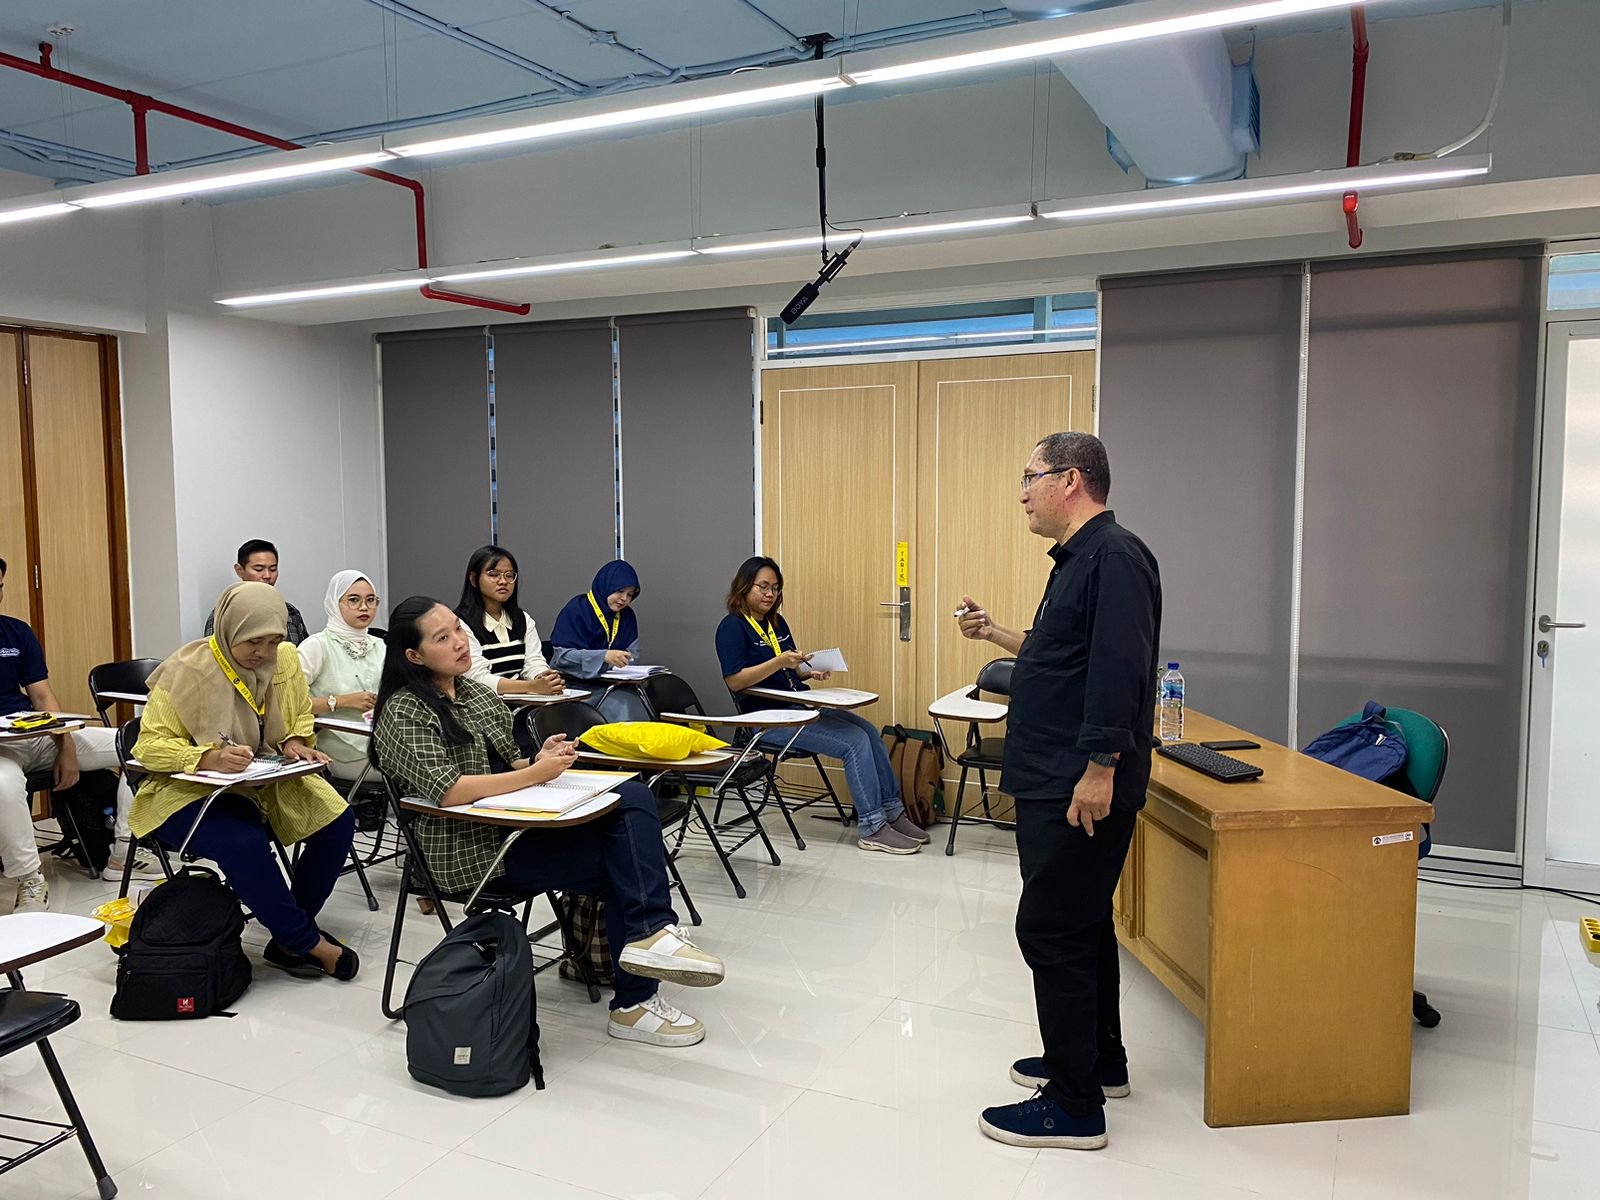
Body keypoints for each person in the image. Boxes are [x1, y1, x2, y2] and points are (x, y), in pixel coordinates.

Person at [372, 596, 725, 1046]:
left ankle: (650, 940)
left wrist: (539, 759)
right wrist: (534, 774)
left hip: (517, 825)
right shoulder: (404, 710)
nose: (460, 642)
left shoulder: (477, 694)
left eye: (458, 629)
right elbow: (449, 790)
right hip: (468, 848)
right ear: (414, 655)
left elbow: (509, 762)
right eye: (443, 638)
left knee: (633, 797)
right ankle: (639, 986)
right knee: (624, 864)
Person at [958, 432, 1161, 1152]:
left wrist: (1100, 766)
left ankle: (1074, 1106)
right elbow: (1064, 655)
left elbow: (1119, 670)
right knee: (1083, 924)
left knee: (1050, 930)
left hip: (1076, 781)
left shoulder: (1114, 557)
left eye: (1030, 477)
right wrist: (997, 634)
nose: (1022, 493)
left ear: (1070, 480)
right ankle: (1097, 1061)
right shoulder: (1081, 561)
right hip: (1056, 775)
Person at [133, 582, 358, 980]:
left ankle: (288, 939)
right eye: (253, 641)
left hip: (263, 783)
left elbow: (299, 715)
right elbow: (148, 747)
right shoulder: (187, 668)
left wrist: (293, 742)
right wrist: (207, 757)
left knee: (338, 821)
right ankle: (305, 942)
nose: (264, 653)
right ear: (228, 629)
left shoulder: (284, 659)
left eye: (273, 641)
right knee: (242, 841)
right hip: (187, 793)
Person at [715, 555, 926, 856]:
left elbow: (786, 670)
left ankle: (892, 812)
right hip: (768, 720)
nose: (770, 594)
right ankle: (872, 828)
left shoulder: (776, 623)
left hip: (799, 706)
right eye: (763, 587)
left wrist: (807, 671)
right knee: (854, 742)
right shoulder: (732, 627)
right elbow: (735, 681)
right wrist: (779, 661)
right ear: (744, 586)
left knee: (868, 731)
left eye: (775, 588)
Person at [0, 556, 153, 911]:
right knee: (3, 785)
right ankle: (31, 880)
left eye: (0, 588)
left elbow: (42, 697)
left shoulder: (16, 632)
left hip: (35, 733)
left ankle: (123, 854)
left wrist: (65, 744)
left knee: (140, 744)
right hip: (2, 752)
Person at [298, 570, 385, 782]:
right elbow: (288, 705)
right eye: (354, 600)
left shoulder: (381, 646)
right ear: (334, 603)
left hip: (385, 741)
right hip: (342, 750)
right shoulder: (316, 646)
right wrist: (341, 701)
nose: (364, 607)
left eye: (370, 600)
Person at [454, 546, 563, 697]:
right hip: (484, 704)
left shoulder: (522, 619)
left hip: (525, 701)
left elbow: (533, 661)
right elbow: (476, 677)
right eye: (493, 574)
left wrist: (544, 679)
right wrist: (531, 686)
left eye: (509, 575)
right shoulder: (459, 624)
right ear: (473, 579)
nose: (503, 581)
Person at [548, 560, 642, 679]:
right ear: (605, 586)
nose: (624, 598)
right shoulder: (577, 610)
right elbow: (562, 658)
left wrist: (622, 661)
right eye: (620, 591)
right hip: (571, 682)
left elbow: (633, 656)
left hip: (613, 682)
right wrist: (603, 657)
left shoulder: (627, 615)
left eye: (630, 594)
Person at [205, 539, 309, 645]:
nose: (267, 576)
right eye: (259, 569)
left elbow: (305, 651)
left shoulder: (290, 611)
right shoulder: (224, 614)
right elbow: (211, 653)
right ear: (239, 570)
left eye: (273, 569)